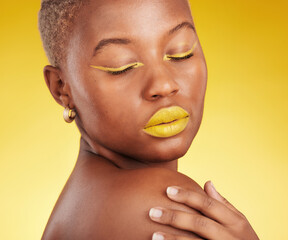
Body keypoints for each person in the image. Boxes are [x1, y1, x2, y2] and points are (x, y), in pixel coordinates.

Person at [39, 0, 259, 239]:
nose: (163, 85)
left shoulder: (78, 203)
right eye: (121, 67)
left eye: (180, 53)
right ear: (62, 88)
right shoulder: (160, 207)